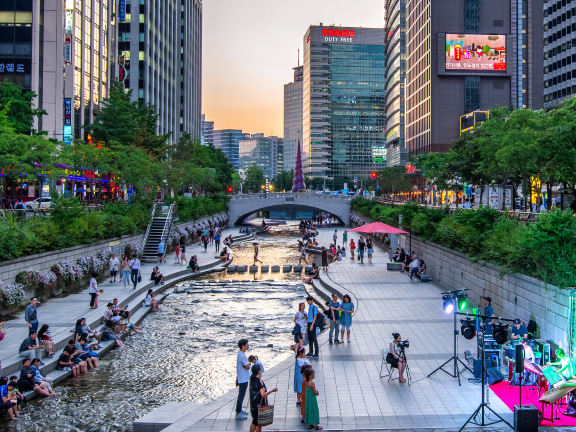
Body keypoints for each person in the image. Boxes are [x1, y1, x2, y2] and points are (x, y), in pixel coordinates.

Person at [249, 364, 278, 432]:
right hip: (259, 405)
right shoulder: (259, 382)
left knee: (254, 421)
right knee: (258, 424)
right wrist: (272, 391)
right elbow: (263, 394)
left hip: (253, 405)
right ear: (259, 371)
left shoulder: (252, 380)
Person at [236, 339, 251, 420]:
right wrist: (249, 364)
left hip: (242, 377)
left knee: (241, 395)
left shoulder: (240, 354)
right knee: (241, 395)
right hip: (243, 378)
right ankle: (238, 412)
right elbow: (247, 367)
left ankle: (240, 410)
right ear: (243, 346)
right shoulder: (242, 355)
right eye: (247, 344)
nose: (248, 346)